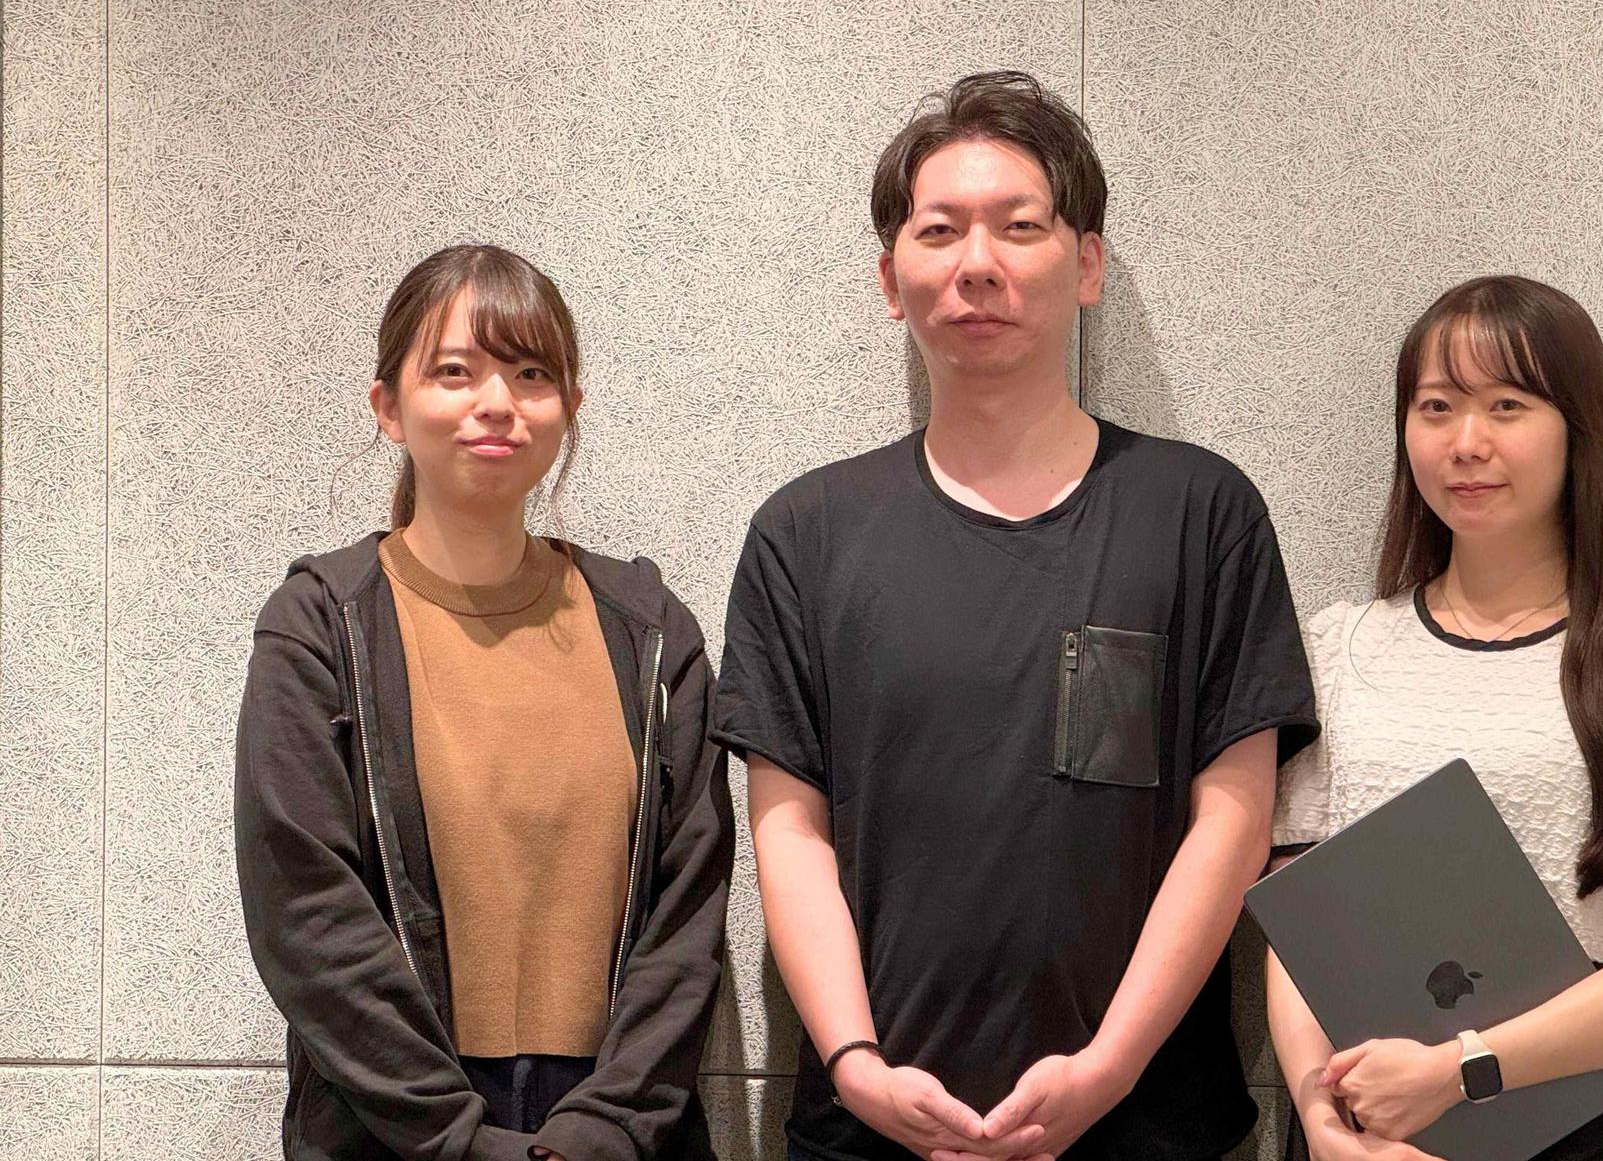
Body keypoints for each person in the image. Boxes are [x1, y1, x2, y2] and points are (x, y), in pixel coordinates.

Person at [712, 71, 1317, 1161]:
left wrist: (1110, 1065)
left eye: (1020, 226)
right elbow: (789, 832)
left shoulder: (1198, 512)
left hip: (1146, 1123)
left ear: (1086, 265)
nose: (977, 263)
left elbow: (1233, 816)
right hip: (869, 1126)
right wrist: (854, 1064)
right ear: (891, 279)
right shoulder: (806, 534)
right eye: (938, 230)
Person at [235, 243, 733, 1160]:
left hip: (618, 1132)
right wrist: (455, 1137)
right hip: (392, 1129)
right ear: (389, 407)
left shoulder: (650, 632)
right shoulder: (322, 625)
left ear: (570, 405)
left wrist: (601, 1129)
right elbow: (303, 908)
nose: (497, 402)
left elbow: (689, 909)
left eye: (531, 373)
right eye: (455, 371)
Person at [1267, 274, 1603, 1161]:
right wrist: (1318, 1116)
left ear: (1579, 430)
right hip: (1355, 1126)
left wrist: (1457, 1070)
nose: (1467, 442)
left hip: (1562, 1127)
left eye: (1507, 405)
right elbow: (1300, 926)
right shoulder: (1338, 646)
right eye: (1437, 406)